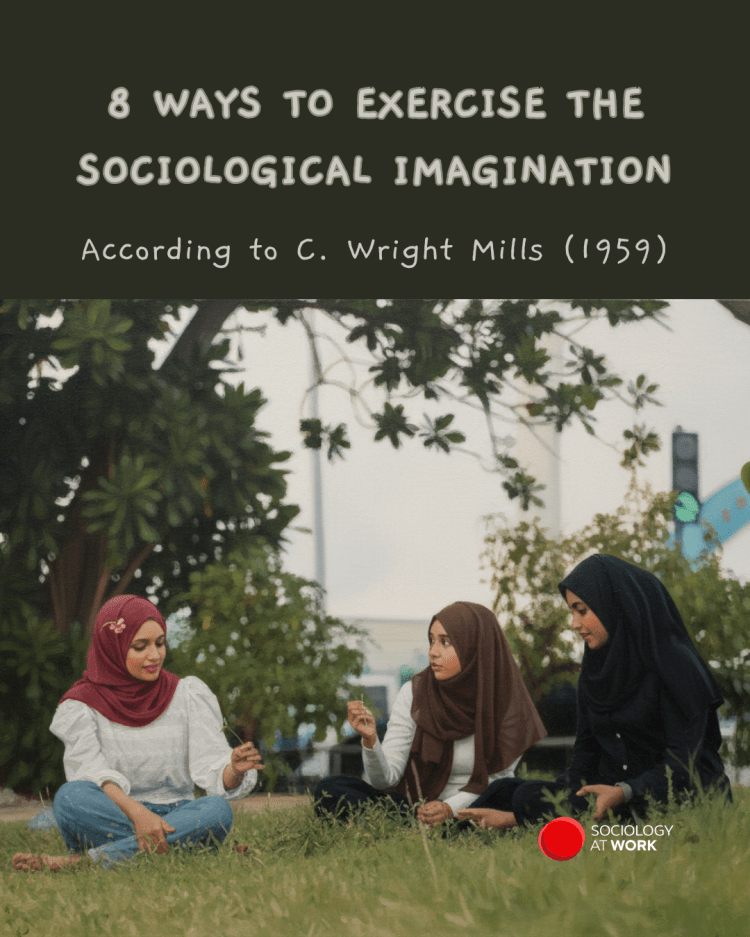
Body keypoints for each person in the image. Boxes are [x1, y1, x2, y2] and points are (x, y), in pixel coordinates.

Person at [458, 554, 732, 830]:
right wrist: (559, 794)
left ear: (613, 605)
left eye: (582, 610)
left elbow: (683, 765)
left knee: (537, 802)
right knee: (513, 790)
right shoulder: (595, 673)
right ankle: (452, 828)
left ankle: (512, 822)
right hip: (611, 793)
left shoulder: (675, 666)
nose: (574, 623)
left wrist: (623, 791)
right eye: (571, 611)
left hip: (676, 795)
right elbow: (585, 760)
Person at [13, 595, 263, 872]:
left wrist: (234, 769)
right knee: (70, 797)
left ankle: (87, 862)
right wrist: (139, 815)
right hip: (117, 814)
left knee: (217, 810)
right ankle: (177, 847)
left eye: (159, 643)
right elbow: (91, 771)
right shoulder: (82, 705)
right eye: (140, 646)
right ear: (114, 648)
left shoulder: (186, 694)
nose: (154, 655)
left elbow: (211, 767)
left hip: (177, 813)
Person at [314, 601, 546, 826]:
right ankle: (417, 824)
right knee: (332, 789)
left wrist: (448, 809)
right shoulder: (414, 693)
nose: (433, 652)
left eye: (445, 642)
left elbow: (497, 778)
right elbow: (387, 779)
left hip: (476, 806)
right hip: (415, 806)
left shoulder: (505, 701)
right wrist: (370, 740)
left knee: (515, 791)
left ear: (474, 647)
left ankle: (418, 826)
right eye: (432, 641)